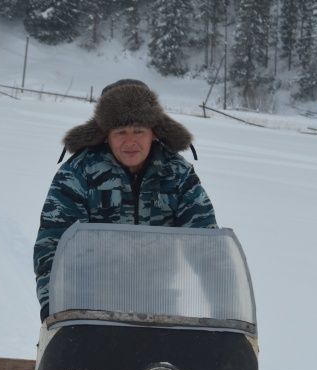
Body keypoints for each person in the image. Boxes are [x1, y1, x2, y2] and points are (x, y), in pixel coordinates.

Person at [34, 79, 217, 321]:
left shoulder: (177, 175)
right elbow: (54, 244)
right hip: (88, 307)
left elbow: (208, 247)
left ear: (154, 132)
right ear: (106, 135)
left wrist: (226, 309)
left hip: (159, 307)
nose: (130, 142)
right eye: (120, 132)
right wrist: (53, 305)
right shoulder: (79, 173)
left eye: (139, 131)